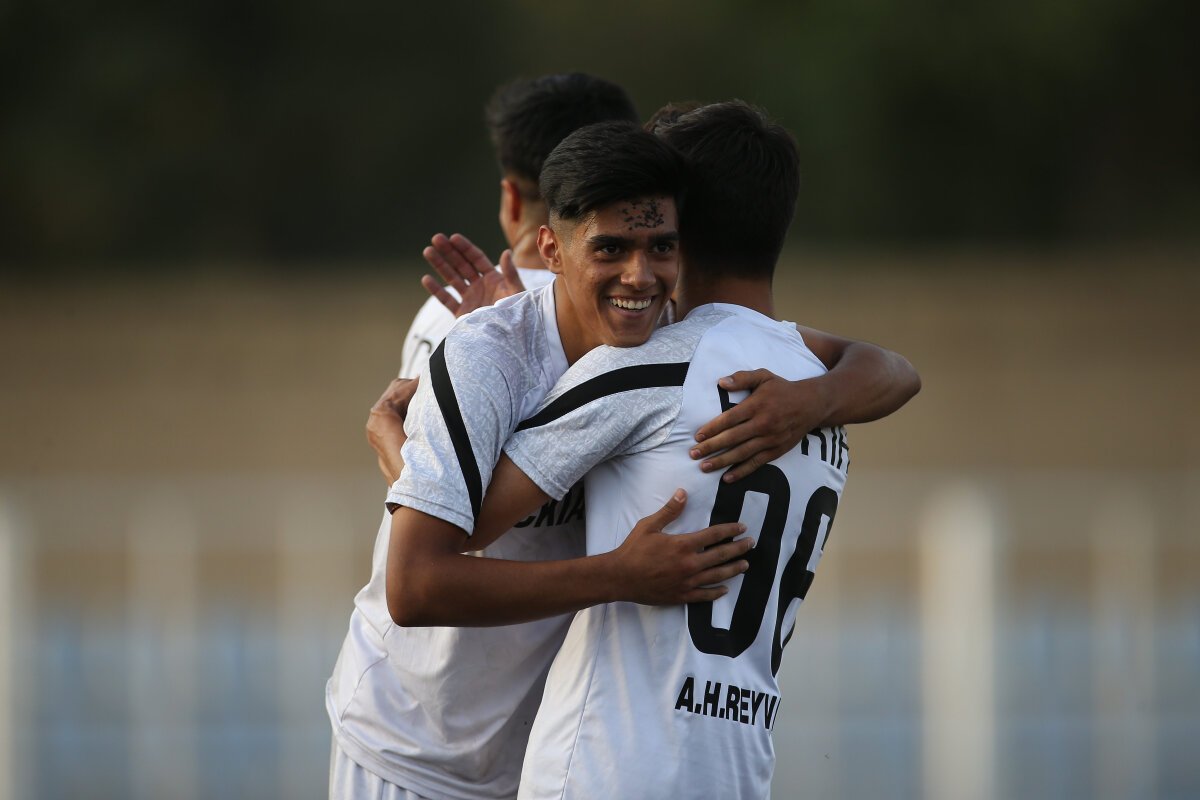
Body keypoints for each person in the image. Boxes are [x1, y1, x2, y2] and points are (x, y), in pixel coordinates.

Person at [385, 102, 920, 798]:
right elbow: (899, 370)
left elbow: (464, 530)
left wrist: (396, 439)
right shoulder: (812, 376)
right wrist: (818, 400)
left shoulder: (646, 367)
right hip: (736, 769)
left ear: (680, 224)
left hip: (607, 766)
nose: (638, 271)